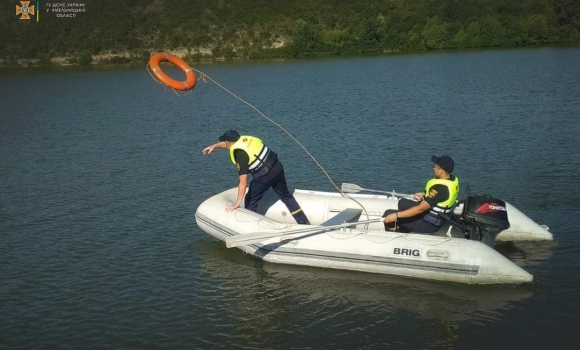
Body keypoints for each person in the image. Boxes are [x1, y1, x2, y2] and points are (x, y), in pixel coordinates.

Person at [202, 130, 310, 224]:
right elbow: (226, 144)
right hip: (277, 167)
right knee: (286, 196)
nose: (224, 144)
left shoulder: (240, 154)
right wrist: (214, 146)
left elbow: (243, 182)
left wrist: (237, 203)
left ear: (228, 142)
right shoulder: (244, 140)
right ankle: (304, 221)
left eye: (225, 142)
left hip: (265, 175)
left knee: (250, 199)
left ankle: (249, 225)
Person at [383, 155, 459, 234]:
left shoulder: (440, 188)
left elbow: (420, 209)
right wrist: (424, 194)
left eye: (435, 167)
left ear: (441, 171)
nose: (433, 168)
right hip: (431, 214)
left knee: (388, 214)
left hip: (430, 223)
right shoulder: (451, 179)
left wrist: (396, 215)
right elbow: (440, 197)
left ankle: (394, 238)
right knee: (402, 203)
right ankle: (404, 229)